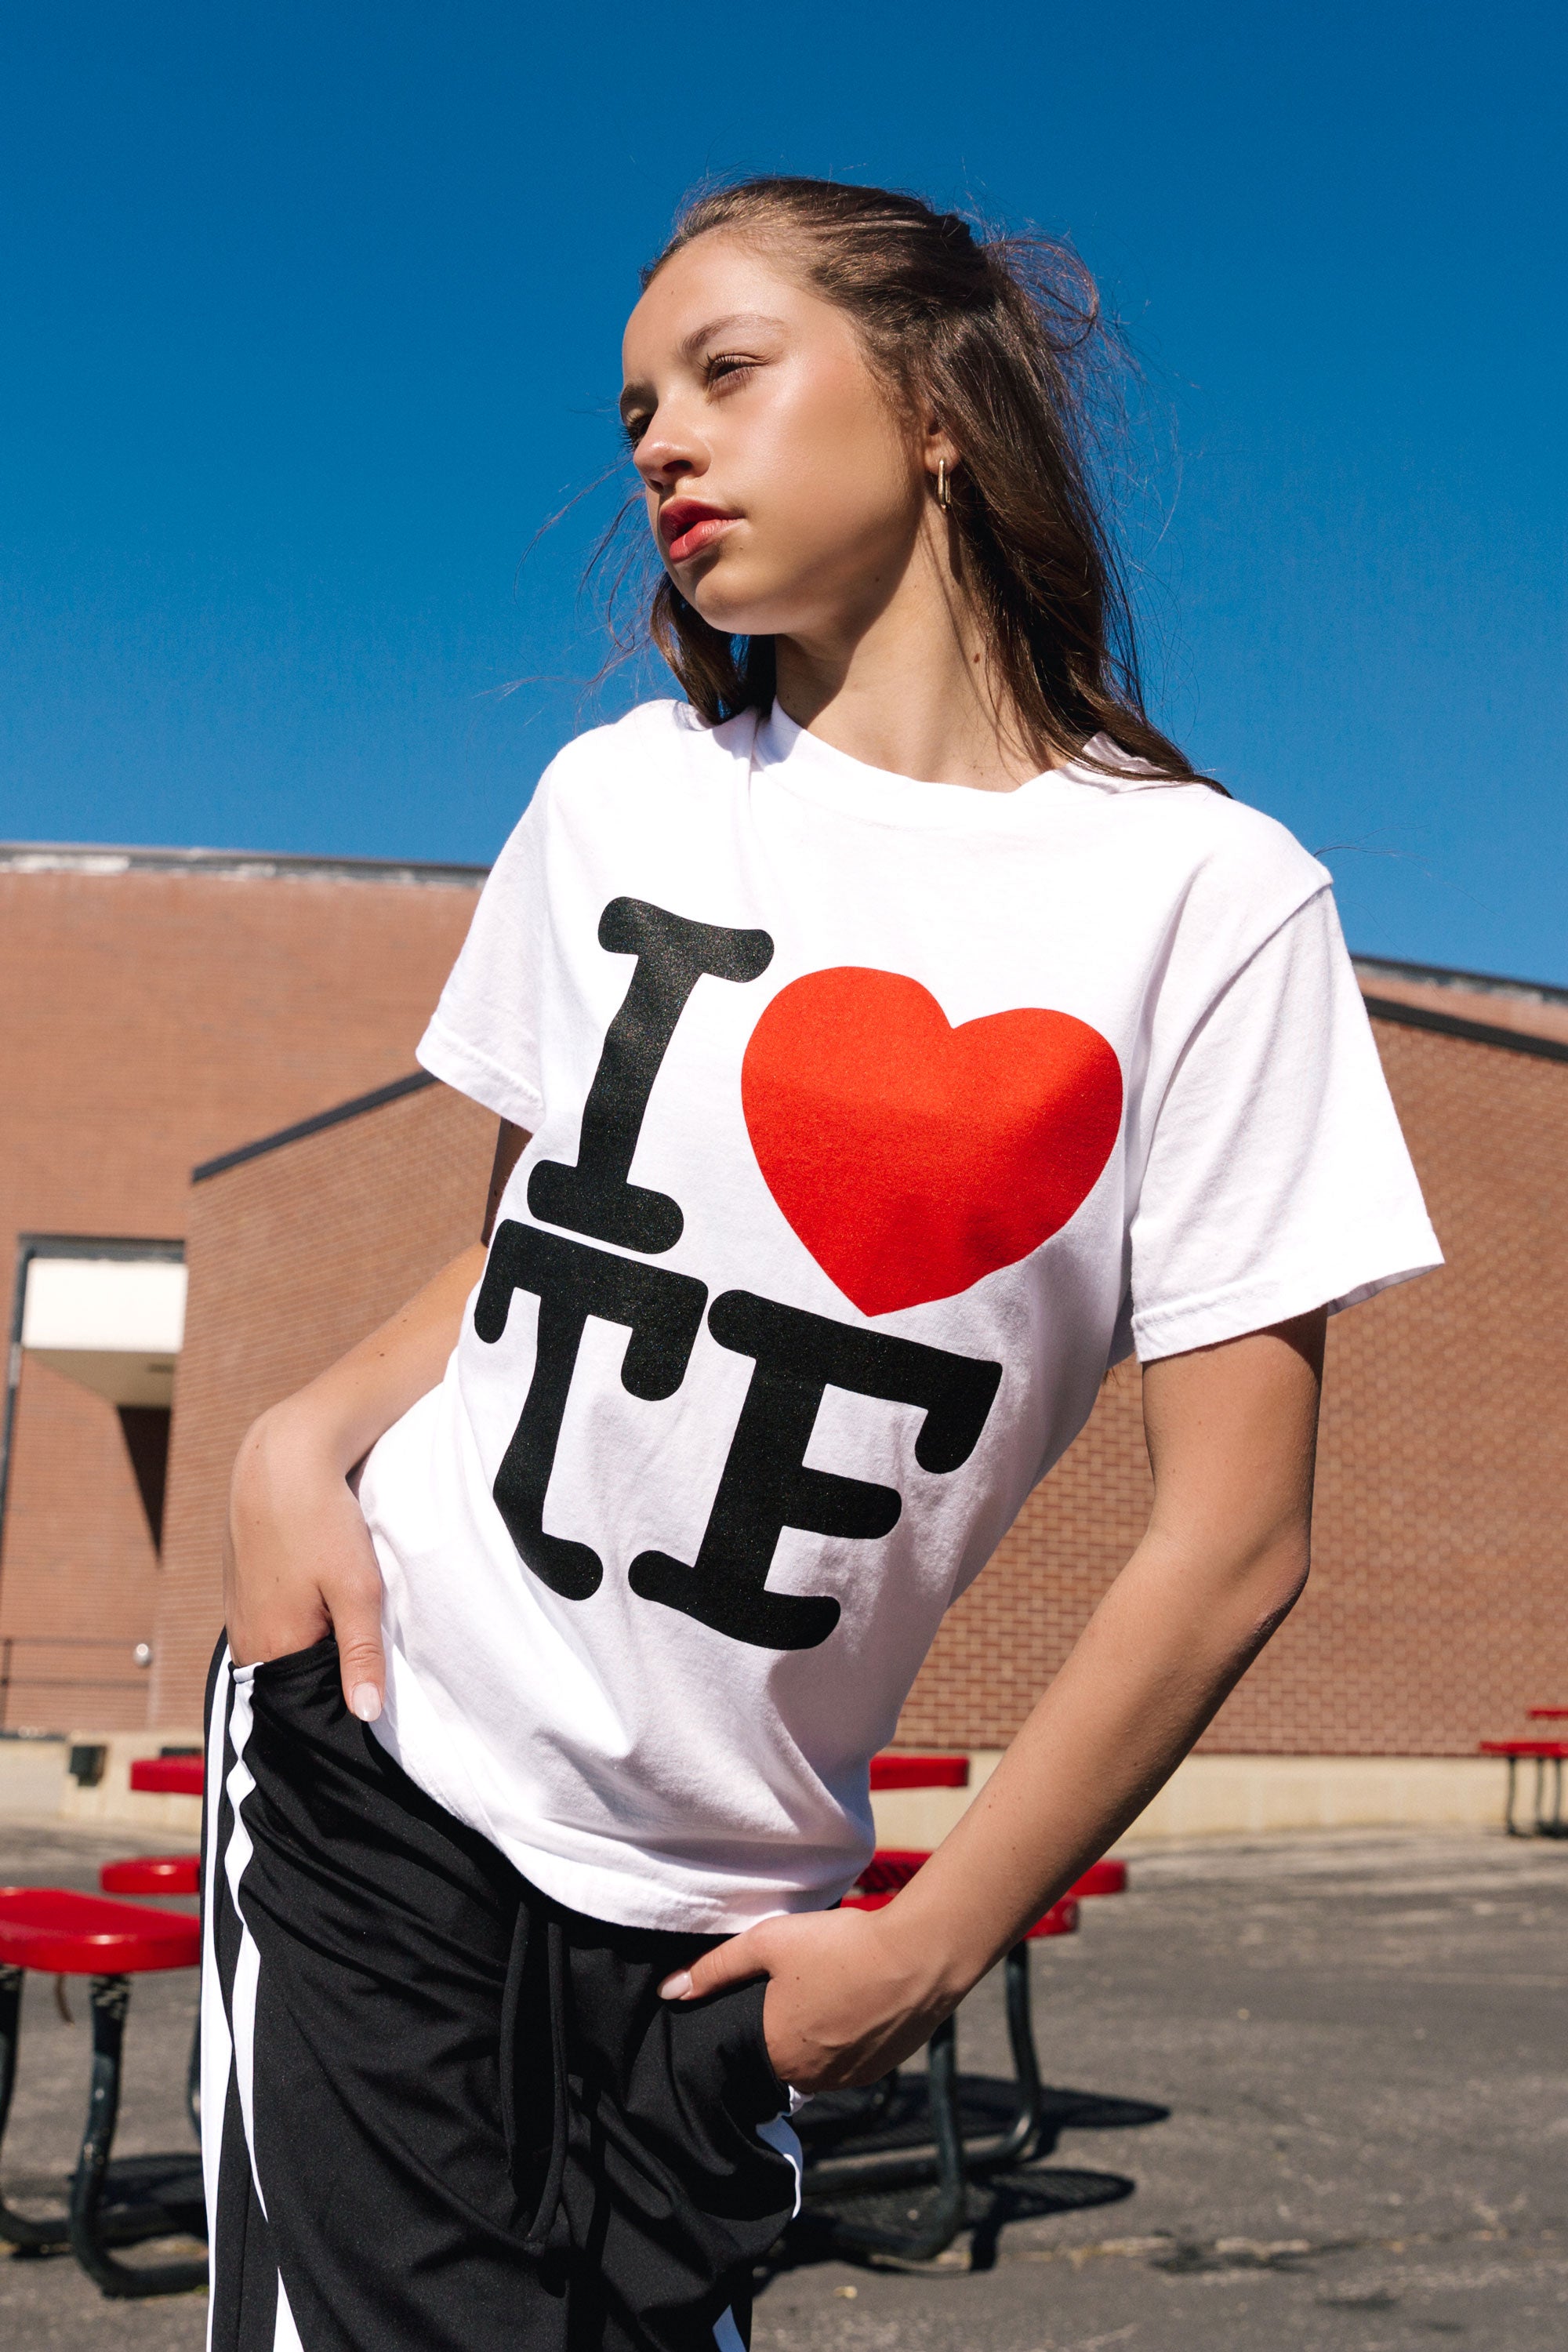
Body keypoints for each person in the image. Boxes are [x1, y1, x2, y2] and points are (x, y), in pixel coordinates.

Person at [203, 177, 1441, 2352]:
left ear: (943, 405)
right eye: (634, 416)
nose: (662, 446)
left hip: (734, 1918)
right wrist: (294, 1440)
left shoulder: (1214, 905)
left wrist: (933, 1941)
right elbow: (512, 1245)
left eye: (725, 372)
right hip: (397, 1750)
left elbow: (1238, 1537)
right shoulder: (618, 800)